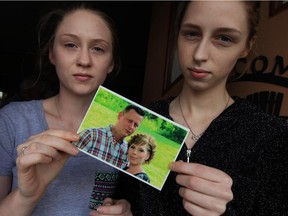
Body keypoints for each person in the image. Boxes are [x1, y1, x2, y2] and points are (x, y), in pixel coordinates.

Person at [115, 1, 288, 215]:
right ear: (178, 34)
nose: (200, 54)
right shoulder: (142, 120)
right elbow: (126, 196)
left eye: (224, 38)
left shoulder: (273, 136)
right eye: (191, 34)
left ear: (247, 45)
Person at [0, 3, 132, 216]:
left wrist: (125, 209)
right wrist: (26, 197)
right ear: (52, 54)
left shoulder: (124, 132)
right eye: (70, 45)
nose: (84, 61)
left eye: (98, 48)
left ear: (111, 63)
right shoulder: (12, 121)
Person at [73, 104, 145, 169]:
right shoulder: (91, 135)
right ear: (120, 116)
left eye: (135, 125)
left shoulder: (128, 151)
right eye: (129, 121)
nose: (131, 127)